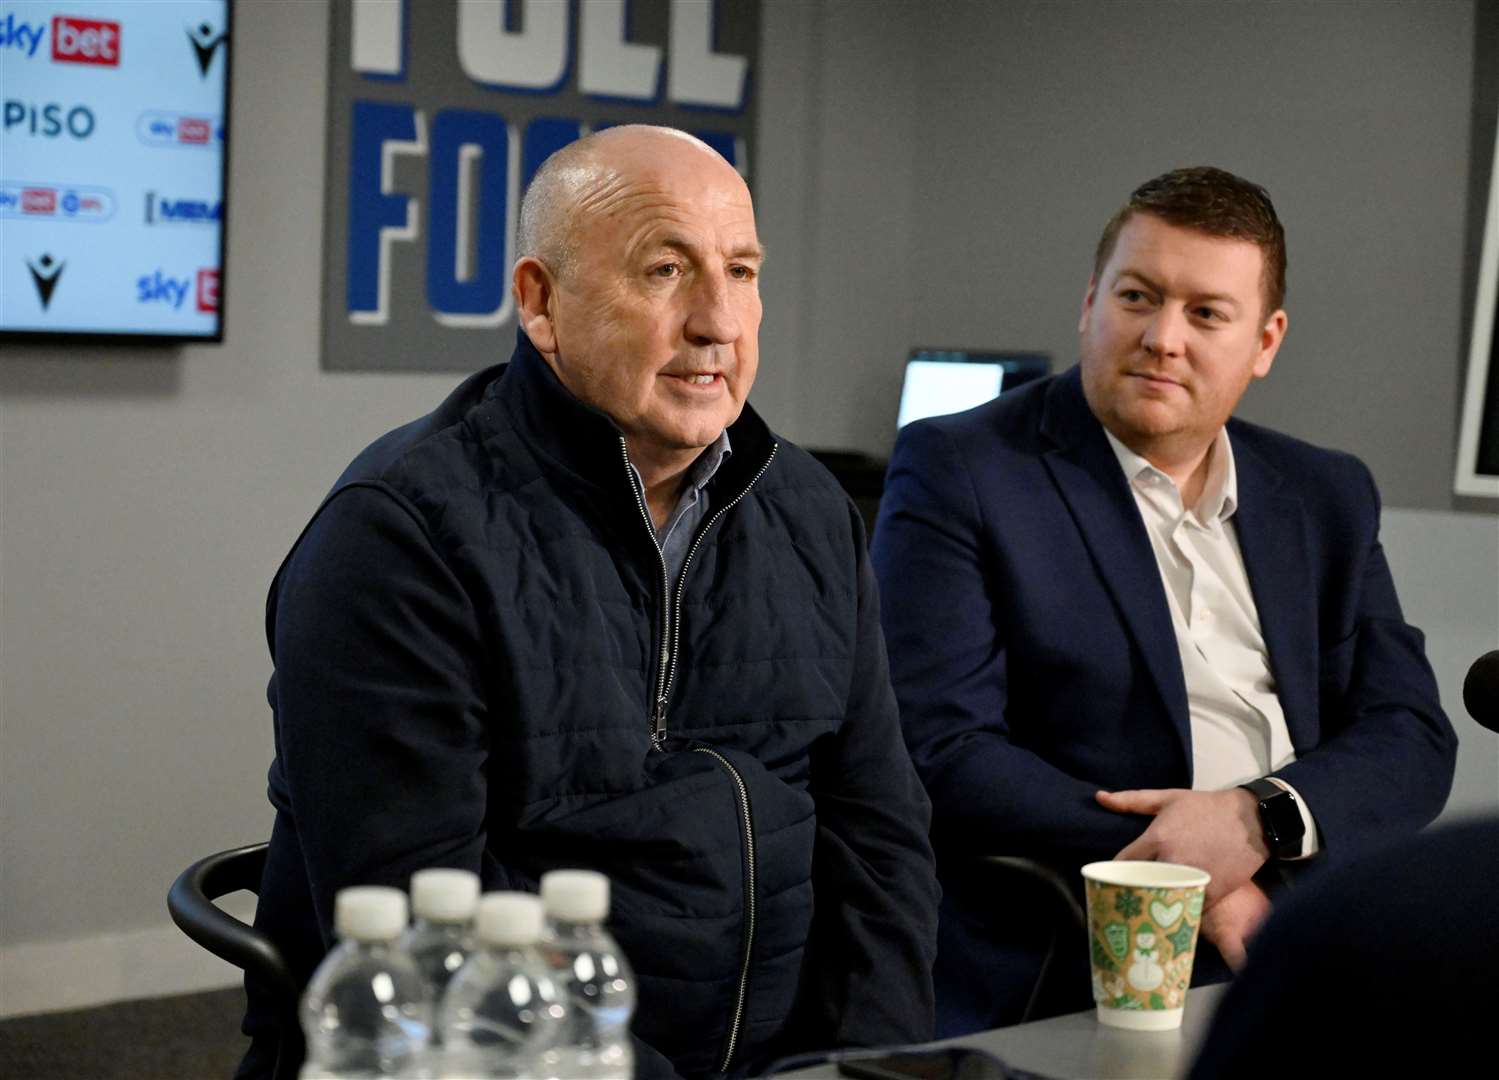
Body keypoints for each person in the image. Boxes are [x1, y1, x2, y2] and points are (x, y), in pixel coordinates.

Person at [240, 126, 940, 1080]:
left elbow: (880, 843)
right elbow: (433, 932)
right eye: (664, 270)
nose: (717, 322)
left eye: (740, 271)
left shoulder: (812, 512)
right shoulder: (400, 533)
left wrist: (871, 1066)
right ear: (540, 301)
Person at [871, 166, 1457, 1035]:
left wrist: (1251, 826)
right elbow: (938, 744)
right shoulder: (963, 469)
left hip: (1302, 914)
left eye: (1205, 313)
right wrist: (1184, 875)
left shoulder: (1323, 493)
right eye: (1137, 296)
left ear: (1265, 341)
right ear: (1088, 303)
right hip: (1075, 942)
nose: (1161, 338)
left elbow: (1407, 732)